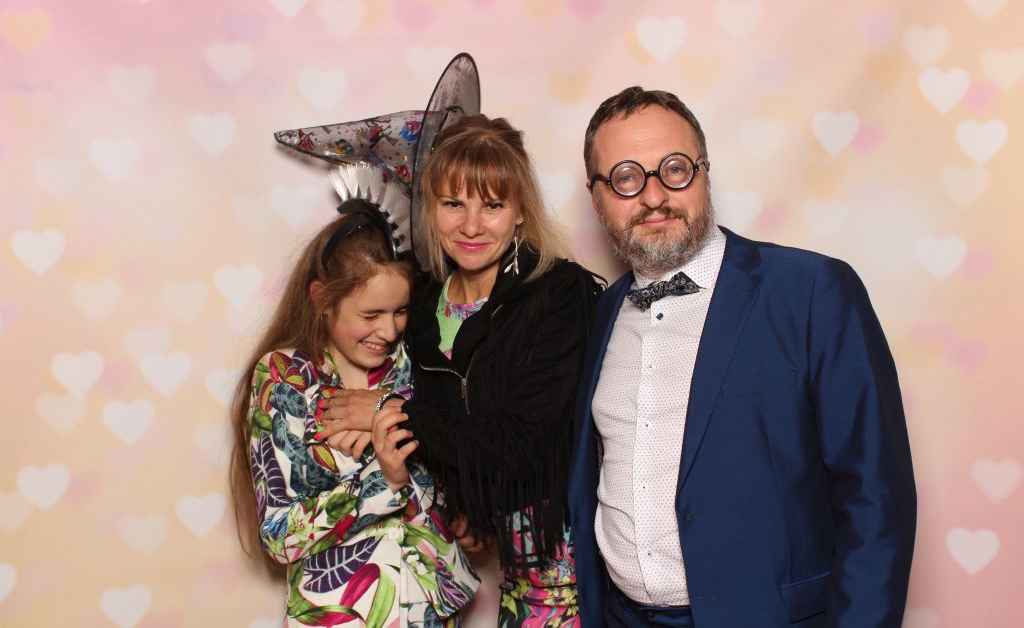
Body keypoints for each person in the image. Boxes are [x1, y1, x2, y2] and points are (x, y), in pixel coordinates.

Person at [567, 87, 916, 627]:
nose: (654, 196)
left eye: (675, 169)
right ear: (597, 199)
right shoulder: (601, 311)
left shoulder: (812, 291)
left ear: (704, 175)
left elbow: (876, 499)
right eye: (626, 178)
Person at [322, 114, 604, 626]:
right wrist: (465, 503)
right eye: (453, 203)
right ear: (430, 208)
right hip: (502, 566)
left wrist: (390, 411)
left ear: (520, 211)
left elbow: (520, 442)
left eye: (492, 205)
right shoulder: (422, 303)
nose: (471, 226)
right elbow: (450, 429)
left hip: (568, 562)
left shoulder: (560, 295)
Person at [228, 213, 479, 627]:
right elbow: (278, 534)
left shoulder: (418, 366)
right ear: (322, 300)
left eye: (400, 311)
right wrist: (384, 478)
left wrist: (465, 509)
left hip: (431, 611)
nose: (389, 330)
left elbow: (458, 460)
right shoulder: (286, 379)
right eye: (370, 314)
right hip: (338, 614)